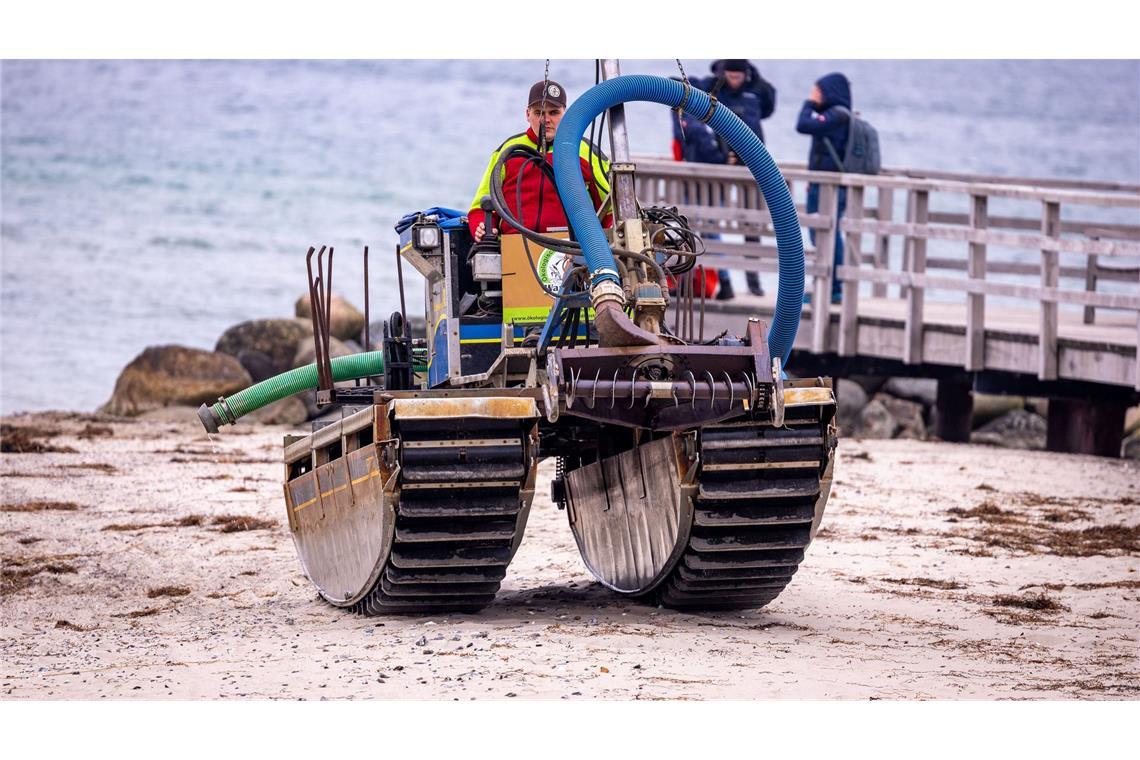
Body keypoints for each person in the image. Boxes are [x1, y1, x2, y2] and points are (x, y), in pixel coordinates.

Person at [672, 59, 776, 299]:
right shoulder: (713, 87)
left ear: (747, 73)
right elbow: (702, 119)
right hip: (718, 167)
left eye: (739, 75)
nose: (734, 80)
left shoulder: (756, 91)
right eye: (730, 74)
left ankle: (753, 280)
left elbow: (769, 106)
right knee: (704, 223)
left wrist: (754, 77)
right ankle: (714, 280)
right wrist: (721, 158)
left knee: (751, 224)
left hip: (750, 166)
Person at [468, 80, 610, 242]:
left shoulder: (587, 152)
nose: (546, 119)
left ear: (566, 114)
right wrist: (482, 226)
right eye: (539, 113)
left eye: (554, 112)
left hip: (573, 248)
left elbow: (610, 209)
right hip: (514, 246)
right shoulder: (507, 151)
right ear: (527, 114)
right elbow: (480, 207)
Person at [796, 72, 852, 305]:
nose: (814, 95)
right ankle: (829, 285)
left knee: (827, 233)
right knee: (824, 233)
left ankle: (834, 287)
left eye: (817, 91)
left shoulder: (836, 116)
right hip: (824, 184)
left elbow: (802, 124)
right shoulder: (838, 116)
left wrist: (808, 103)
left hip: (829, 187)